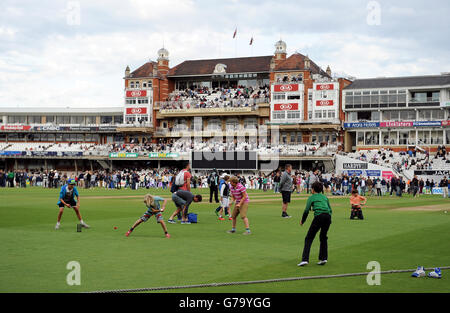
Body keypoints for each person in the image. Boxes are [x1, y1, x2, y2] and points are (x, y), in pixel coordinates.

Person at [298, 182, 332, 267]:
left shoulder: (311, 197)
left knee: (309, 238)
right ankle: (323, 258)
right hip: (327, 217)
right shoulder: (324, 197)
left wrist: (303, 220)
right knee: (323, 237)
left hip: (319, 217)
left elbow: (306, 210)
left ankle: (305, 259)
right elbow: (330, 209)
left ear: (313, 189)